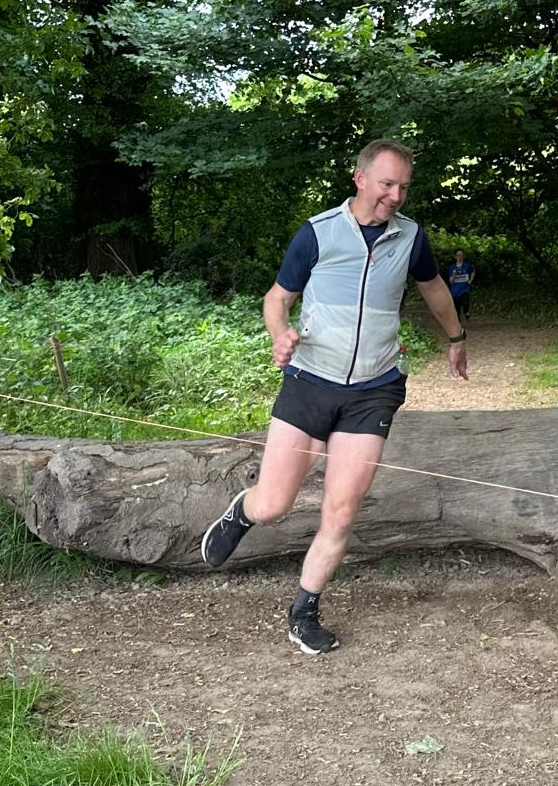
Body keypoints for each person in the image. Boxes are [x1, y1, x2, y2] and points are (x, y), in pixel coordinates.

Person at [200, 139, 469, 655]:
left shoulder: (410, 237)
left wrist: (456, 337)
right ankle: (244, 512)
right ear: (360, 179)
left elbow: (434, 286)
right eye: (387, 184)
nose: (396, 196)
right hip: (311, 381)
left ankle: (304, 611)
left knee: (342, 511)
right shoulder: (317, 233)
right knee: (274, 504)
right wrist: (279, 334)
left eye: (404, 187)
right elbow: (277, 299)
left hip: (374, 388)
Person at [447, 249, 474, 325]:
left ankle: (466, 313)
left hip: (464, 289)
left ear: (464, 256)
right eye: (458, 255)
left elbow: (472, 272)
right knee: (457, 308)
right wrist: (454, 274)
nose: (460, 257)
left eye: (461, 255)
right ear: (455, 257)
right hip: (455, 291)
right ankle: (459, 324)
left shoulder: (467, 265)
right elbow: (451, 281)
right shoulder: (452, 267)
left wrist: (470, 280)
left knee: (466, 304)